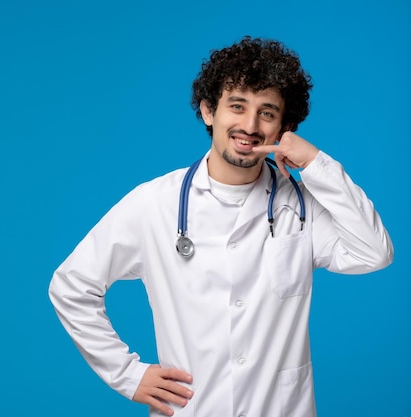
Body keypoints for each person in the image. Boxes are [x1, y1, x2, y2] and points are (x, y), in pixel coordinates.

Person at [48, 36, 393, 417]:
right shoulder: (154, 204)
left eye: (267, 112)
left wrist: (316, 163)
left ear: (284, 127)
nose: (249, 125)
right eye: (237, 106)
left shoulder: (301, 207)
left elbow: (374, 252)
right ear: (209, 110)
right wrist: (128, 375)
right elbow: (71, 286)